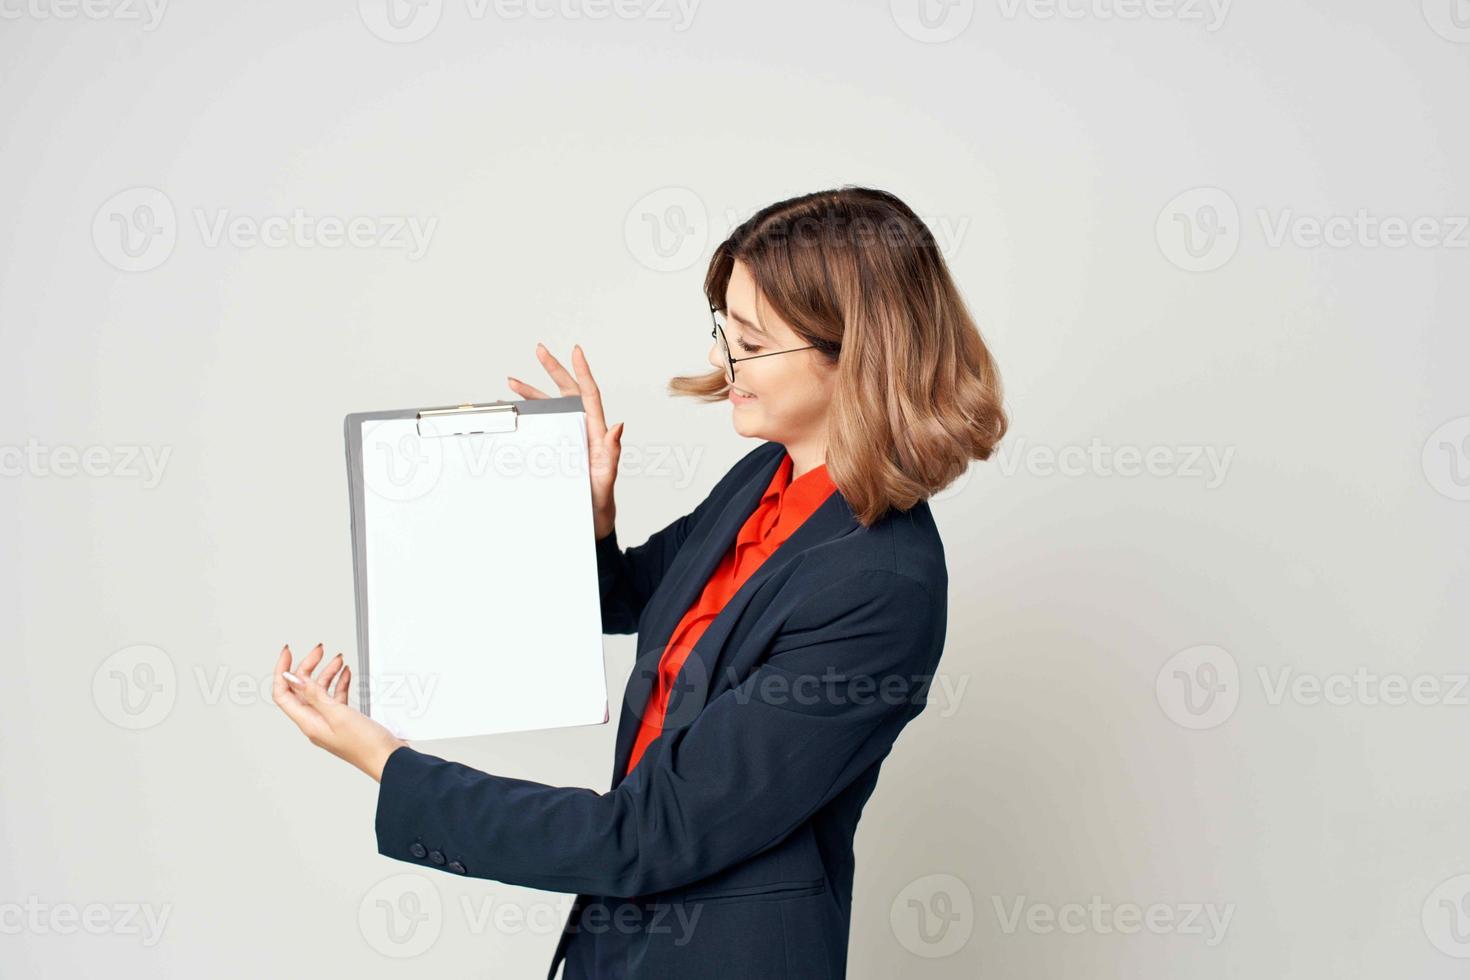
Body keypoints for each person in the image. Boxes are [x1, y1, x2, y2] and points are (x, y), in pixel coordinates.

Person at [272, 186, 1008, 978]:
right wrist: (584, 510)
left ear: (856, 353)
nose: (725, 362)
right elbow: (634, 600)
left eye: (754, 344)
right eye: (725, 329)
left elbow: (647, 835)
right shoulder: (765, 476)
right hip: (619, 936)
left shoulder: (880, 584)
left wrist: (389, 763)